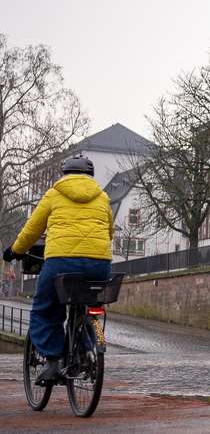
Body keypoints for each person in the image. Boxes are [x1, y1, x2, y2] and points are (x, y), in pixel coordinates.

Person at [3, 154, 113, 385]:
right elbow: (109, 231)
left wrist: (14, 250)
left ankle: (53, 361)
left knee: (45, 308)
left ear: (64, 174)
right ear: (90, 177)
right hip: (99, 264)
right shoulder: (103, 197)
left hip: (62, 263)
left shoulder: (54, 194)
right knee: (91, 305)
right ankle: (90, 349)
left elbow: (32, 230)